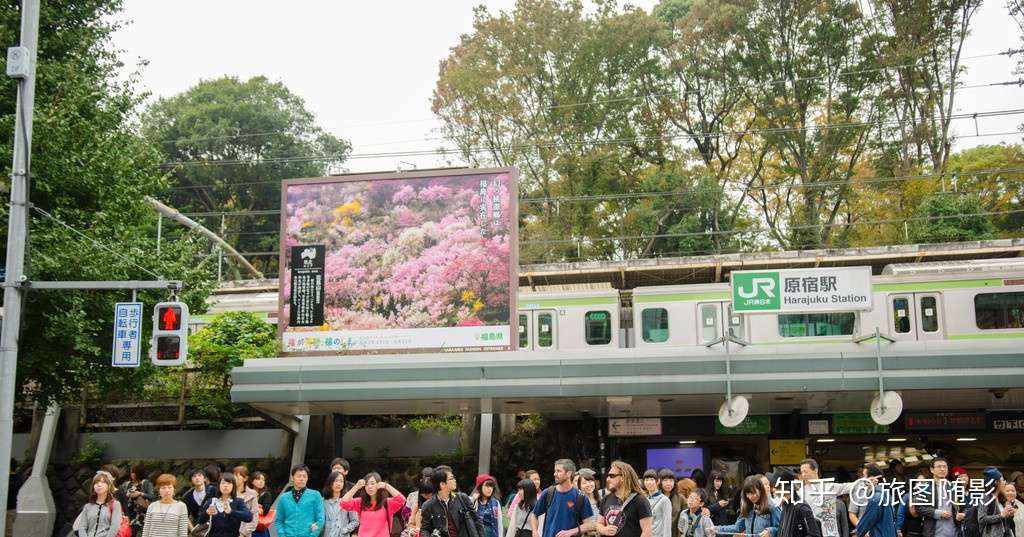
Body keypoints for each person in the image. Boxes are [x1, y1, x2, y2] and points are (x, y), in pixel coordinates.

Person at [531, 459, 596, 537]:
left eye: (558, 471)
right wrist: (534, 532)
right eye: (555, 471)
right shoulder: (548, 492)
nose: (555, 474)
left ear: (568, 474)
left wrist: (570, 532)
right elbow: (534, 515)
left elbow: (588, 524)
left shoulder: (580, 497)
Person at [798, 459, 858, 537]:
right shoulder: (800, 492)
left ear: (815, 470)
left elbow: (847, 487)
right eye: (802, 472)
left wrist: (865, 482)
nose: (803, 475)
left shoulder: (828, 487)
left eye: (805, 471)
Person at [420, 467, 485, 537]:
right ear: (442, 484)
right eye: (451, 478)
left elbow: (477, 520)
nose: (455, 480)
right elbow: (424, 529)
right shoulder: (428, 505)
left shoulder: (462, 498)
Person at [707, 475, 780, 537]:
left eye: (753, 493)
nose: (750, 496)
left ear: (760, 490)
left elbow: (781, 528)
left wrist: (770, 531)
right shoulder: (747, 507)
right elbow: (737, 528)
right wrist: (716, 529)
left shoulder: (773, 506)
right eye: (748, 493)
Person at [596, 460, 652, 537]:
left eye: (612, 476)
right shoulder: (606, 499)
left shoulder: (640, 501)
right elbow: (599, 524)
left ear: (623, 478)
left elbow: (647, 532)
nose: (608, 479)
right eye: (608, 476)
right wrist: (604, 530)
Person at [340, 472, 406, 537]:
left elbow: (402, 500)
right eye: (366, 484)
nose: (369, 487)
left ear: (378, 484)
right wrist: (356, 487)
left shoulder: (387, 503)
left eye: (372, 483)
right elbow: (343, 503)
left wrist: (386, 486)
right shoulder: (360, 502)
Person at [915, 459, 963, 537]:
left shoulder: (953, 487)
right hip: (934, 532)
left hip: (953, 532)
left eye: (945, 467)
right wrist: (938, 513)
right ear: (932, 470)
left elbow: (961, 506)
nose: (942, 469)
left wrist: (960, 514)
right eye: (939, 467)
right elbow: (919, 508)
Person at [276, 464, 325, 537]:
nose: (302, 479)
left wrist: (313, 535)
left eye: (304, 476)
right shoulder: (283, 498)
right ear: (292, 478)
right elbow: (279, 520)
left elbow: (320, 519)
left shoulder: (315, 495)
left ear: (307, 478)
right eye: (299, 476)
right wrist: (282, 535)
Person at [769, 468, 820, 537]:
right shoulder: (785, 505)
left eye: (776, 487)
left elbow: (814, 535)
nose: (773, 490)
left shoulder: (801, 507)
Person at [74, 471, 124, 537]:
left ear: (109, 486)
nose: (99, 485)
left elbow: (115, 527)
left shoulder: (115, 504)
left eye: (103, 482)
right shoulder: (87, 507)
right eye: (96, 482)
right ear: (93, 487)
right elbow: (82, 527)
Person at [852, 464, 896, 537]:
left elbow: (865, 524)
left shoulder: (876, 498)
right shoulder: (887, 495)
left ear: (873, 478)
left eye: (864, 476)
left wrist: (857, 533)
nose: (863, 479)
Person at [119, 464, 155, 537]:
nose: (132, 474)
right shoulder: (126, 484)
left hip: (141, 513)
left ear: (139, 473)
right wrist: (127, 495)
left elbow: (152, 497)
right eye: (131, 472)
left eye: (134, 472)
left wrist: (140, 493)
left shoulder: (146, 483)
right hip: (128, 513)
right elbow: (119, 496)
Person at [977, 467, 1013, 537]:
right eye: (1002, 480)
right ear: (996, 482)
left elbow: (1004, 521)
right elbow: (981, 519)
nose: (1005, 482)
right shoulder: (985, 498)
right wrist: (1001, 515)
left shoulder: (1001, 498)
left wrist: (1010, 515)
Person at [323, 470, 360, 537]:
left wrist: (344, 530)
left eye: (341, 481)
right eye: (336, 481)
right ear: (330, 483)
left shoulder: (348, 500)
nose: (338, 483)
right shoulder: (323, 501)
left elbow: (355, 521)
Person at [234, 466, 259, 537]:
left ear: (245, 478)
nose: (234, 478)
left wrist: (243, 533)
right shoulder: (228, 492)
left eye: (237, 476)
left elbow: (255, 517)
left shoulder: (252, 494)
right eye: (233, 476)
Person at [644, 471, 672, 537]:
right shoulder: (644, 499)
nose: (649, 482)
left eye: (652, 479)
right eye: (646, 480)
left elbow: (667, 525)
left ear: (658, 481)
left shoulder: (665, 500)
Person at [251, 472, 274, 537]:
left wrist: (251, 508)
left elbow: (265, 511)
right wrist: (257, 508)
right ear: (252, 481)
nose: (261, 481)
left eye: (263, 480)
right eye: (258, 479)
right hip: (246, 528)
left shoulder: (266, 494)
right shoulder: (247, 493)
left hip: (259, 528)